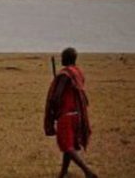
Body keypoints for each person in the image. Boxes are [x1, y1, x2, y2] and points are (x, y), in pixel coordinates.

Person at [44, 47, 98, 178]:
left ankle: (88, 172)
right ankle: (63, 173)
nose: (61, 59)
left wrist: (52, 108)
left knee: (66, 145)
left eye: (62, 57)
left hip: (66, 114)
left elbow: (56, 96)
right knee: (68, 144)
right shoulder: (77, 72)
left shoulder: (64, 75)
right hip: (77, 114)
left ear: (66, 58)